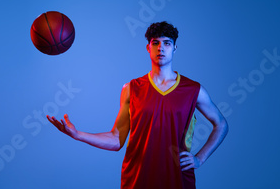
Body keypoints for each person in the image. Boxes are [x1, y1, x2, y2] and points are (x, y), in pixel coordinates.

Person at [46, 21, 229, 189]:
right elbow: (116, 139)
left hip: (178, 179)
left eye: (167, 43)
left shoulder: (193, 90)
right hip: (137, 180)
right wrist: (78, 135)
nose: (161, 48)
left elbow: (221, 124)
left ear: (174, 48)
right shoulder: (131, 88)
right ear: (148, 48)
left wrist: (200, 158)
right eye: (155, 43)